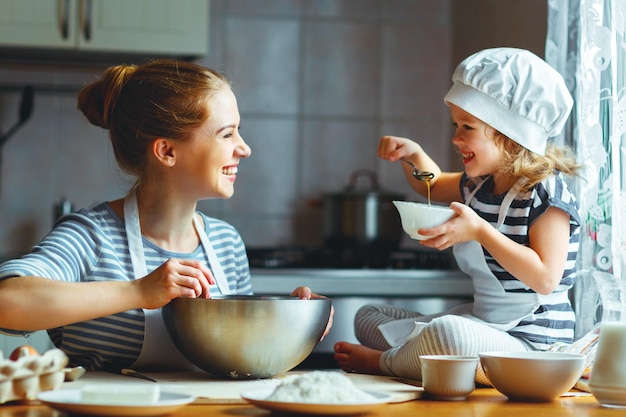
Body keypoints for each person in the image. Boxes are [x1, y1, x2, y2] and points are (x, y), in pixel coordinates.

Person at [0, 59, 331, 372]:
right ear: (167, 151)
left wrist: (297, 319)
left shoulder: (225, 242)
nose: (243, 148)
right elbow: (8, 300)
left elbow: (241, 357)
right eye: (227, 134)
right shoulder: (91, 236)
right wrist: (140, 291)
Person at [333, 47, 581, 384]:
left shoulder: (544, 194)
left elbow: (545, 278)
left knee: (449, 333)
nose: (455, 138)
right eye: (456, 124)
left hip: (534, 348)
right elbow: (429, 184)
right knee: (368, 316)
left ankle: (386, 363)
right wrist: (414, 156)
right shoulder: (480, 185)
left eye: (468, 127)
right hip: (486, 326)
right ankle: (418, 358)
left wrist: (480, 231)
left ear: (509, 134)